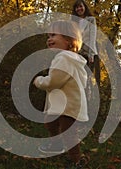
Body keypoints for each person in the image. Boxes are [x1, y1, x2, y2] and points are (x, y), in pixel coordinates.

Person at [33, 20, 89, 168]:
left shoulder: (64, 58)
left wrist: (39, 81)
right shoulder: (71, 59)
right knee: (50, 121)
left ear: (68, 39)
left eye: (53, 35)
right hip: (66, 103)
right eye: (48, 35)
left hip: (68, 105)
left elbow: (53, 82)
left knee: (68, 132)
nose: (49, 39)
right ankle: (56, 144)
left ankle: (78, 160)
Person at [71, 0, 98, 70]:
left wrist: (91, 54)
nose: (79, 9)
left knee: (86, 77)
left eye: (81, 6)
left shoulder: (91, 20)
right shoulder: (74, 22)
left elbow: (92, 37)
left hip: (88, 53)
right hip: (77, 53)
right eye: (77, 7)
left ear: (84, 7)